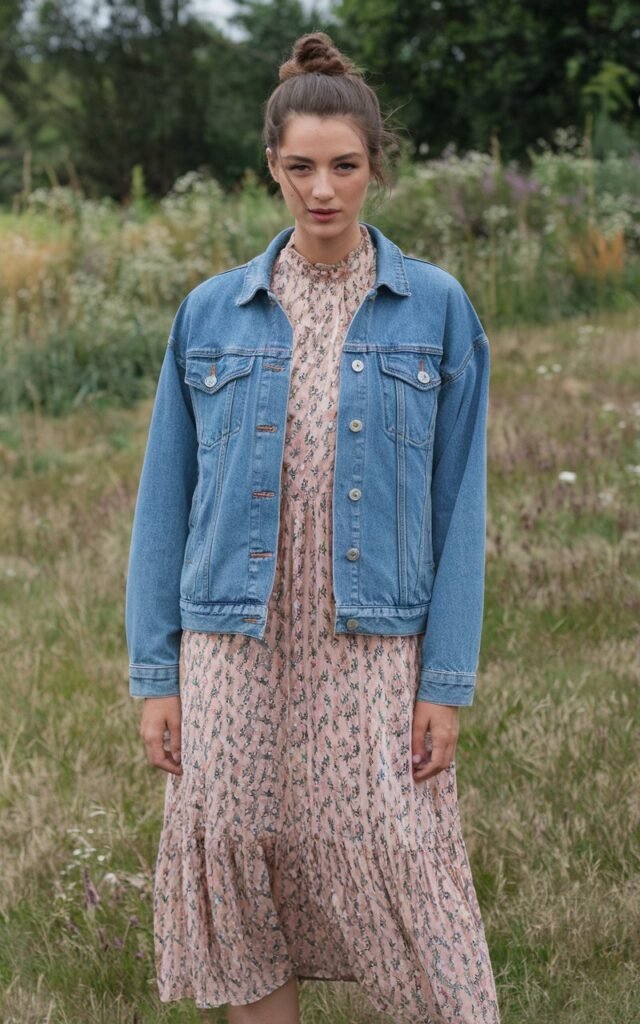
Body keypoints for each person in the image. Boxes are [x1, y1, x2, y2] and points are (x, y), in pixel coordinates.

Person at [125, 30, 500, 1024]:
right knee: (244, 859)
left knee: (390, 847)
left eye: (342, 166)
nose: (321, 190)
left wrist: (445, 682)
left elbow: (463, 509)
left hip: (369, 642)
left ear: (376, 164)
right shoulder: (210, 314)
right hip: (230, 641)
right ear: (271, 168)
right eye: (299, 168)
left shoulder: (436, 311)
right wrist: (156, 676)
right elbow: (163, 502)